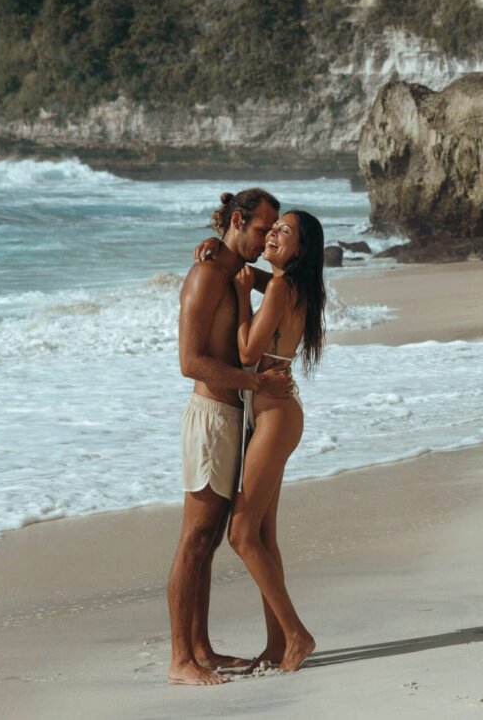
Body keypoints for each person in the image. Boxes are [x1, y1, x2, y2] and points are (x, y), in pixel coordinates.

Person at [167, 187, 293, 688]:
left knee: (210, 540)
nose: (266, 242)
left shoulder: (226, 267)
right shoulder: (204, 274)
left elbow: (283, 287)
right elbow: (189, 362)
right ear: (238, 220)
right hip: (210, 418)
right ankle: (181, 661)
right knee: (194, 542)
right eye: (262, 230)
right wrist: (256, 383)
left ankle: (202, 649)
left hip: (229, 417)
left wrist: (216, 244)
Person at [228, 209, 326, 673]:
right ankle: (275, 644)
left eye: (284, 232)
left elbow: (248, 351)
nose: (272, 234)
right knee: (264, 534)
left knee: (241, 533)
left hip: (274, 418)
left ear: (299, 249)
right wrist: (248, 276)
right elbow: (273, 285)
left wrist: (243, 295)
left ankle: (296, 634)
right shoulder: (294, 287)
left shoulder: (281, 288)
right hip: (280, 414)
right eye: (272, 228)